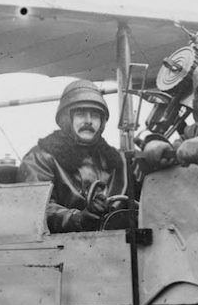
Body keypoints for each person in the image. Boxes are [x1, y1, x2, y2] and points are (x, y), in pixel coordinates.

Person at [18, 80, 127, 233]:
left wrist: (154, 144)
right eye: (81, 114)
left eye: (95, 115)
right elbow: (36, 208)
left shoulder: (116, 159)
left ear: (102, 122)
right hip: (63, 248)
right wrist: (78, 218)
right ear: (66, 119)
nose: (88, 121)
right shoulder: (40, 158)